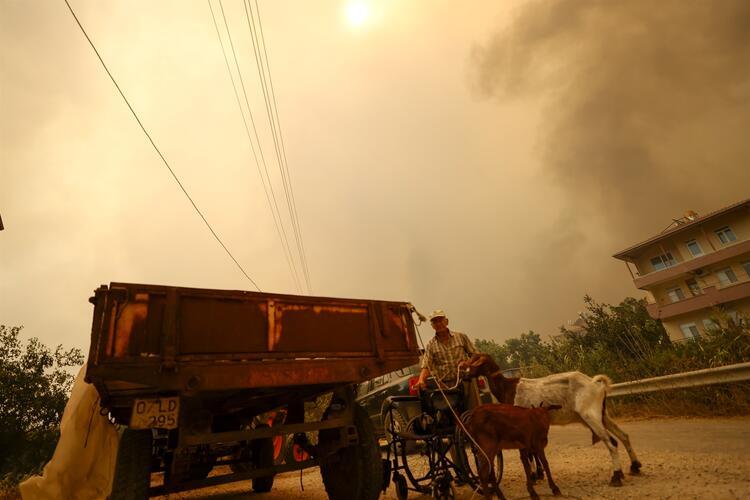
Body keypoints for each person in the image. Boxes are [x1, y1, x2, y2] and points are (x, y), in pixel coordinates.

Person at [416, 309, 481, 409]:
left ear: (446, 321)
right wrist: (421, 380)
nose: (438, 323)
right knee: (451, 414)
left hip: (466, 381)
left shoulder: (461, 337)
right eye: (435, 322)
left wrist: (468, 363)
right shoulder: (430, 345)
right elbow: (426, 366)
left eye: (440, 320)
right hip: (445, 386)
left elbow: (475, 355)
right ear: (432, 326)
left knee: (474, 411)